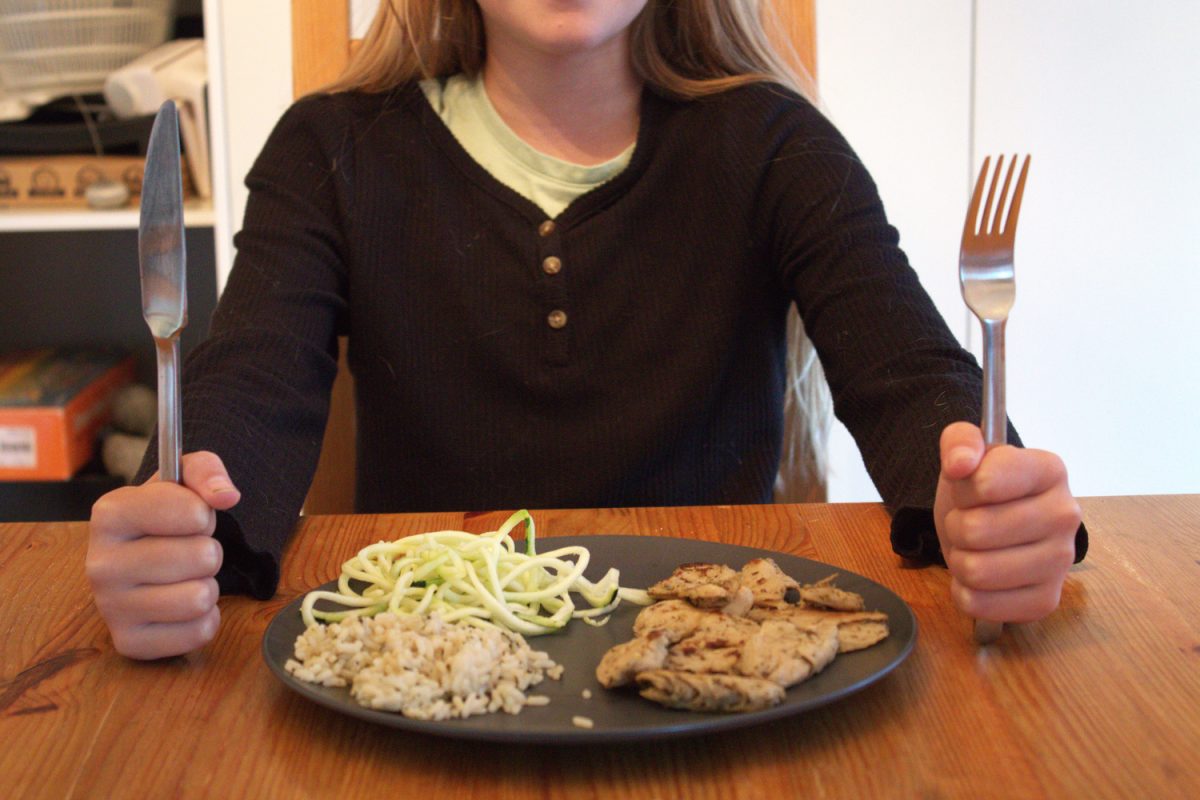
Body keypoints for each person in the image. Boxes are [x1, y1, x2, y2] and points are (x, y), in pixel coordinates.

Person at [86, 0, 1084, 660]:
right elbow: (251, 380)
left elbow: (914, 376)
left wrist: (988, 501)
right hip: (423, 673)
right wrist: (184, 528)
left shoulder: (777, 146)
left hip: (712, 668)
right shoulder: (332, 150)